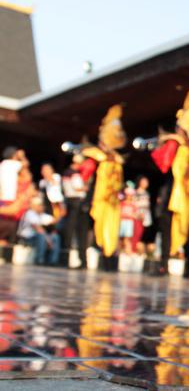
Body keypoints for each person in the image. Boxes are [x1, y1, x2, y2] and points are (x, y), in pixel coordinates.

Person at [151, 86, 189, 274]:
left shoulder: (176, 143)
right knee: (188, 226)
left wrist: (162, 144)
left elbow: (162, 164)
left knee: (168, 227)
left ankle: (164, 265)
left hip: (174, 192)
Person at [79, 105, 126, 271]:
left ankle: (103, 261)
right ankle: (102, 261)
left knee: (104, 229)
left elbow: (84, 174)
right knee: (106, 229)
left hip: (102, 199)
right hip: (106, 200)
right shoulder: (115, 161)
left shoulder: (102, 158)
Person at [62, 154, 90, 267]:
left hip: (76, 203)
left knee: (78, 231)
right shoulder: (72, 173)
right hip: (75, 202)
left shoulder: (71, 173)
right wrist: (86, 187)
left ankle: (81, 261)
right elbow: (77, 188)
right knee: (73, 231)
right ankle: (67, 259)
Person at [18, 197, 61, 266]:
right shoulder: (30, 213)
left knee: (56, 237)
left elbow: (54, 222)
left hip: (42, 237)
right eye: (40, 205)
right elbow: (38, 229)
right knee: (41, 236)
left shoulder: (43, 215)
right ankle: (39, 260)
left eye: (42, 205)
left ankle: (53, 261)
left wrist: (59, 209)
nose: (42, 207)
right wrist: (48, 240)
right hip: (27, 238)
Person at [134, 176, 154, 255]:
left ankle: (142, 252)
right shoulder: (136, 192)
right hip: (138, 214)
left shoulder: (147, 193)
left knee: (144, 233)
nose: (146, 183)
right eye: (144, 181)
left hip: (146, 216)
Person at [120, 186, 138, 255]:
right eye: (127, 195)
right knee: (121, 238)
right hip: (122, 222)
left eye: (130, 195)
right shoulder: (122, 203)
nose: (129, 196)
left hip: (129, 223)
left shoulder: (133, 205)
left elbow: (135, 214)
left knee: (127, 238)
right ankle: (120, 252)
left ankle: (128, 252)